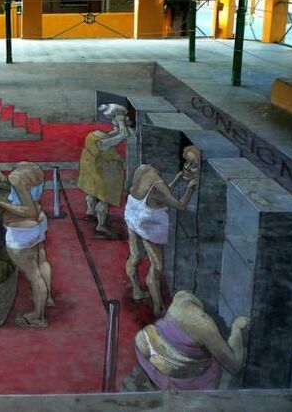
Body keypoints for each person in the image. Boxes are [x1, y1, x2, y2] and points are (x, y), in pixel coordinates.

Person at [124, 146, 201, 317]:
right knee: (157, 267)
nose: (187, 168)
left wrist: (176, 180)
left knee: (135, 256)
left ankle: (137, 291)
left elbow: (159, 195)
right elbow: (180, 205)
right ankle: (158, 308)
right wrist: (190, 187)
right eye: (187, 163)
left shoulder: (143, 170)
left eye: (192, 165)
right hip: (148, 223)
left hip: (133, 214)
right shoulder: (159, 185)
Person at [0, 162, 54, 327]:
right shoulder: (34, 169)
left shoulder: (15, 177)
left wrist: (1, 204)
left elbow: (30, 211)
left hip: (22, 231)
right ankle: (47, 298)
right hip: (39, 223)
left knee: (33, 274)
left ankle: (38, 317)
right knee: (41, 261)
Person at [134, 290, 250, 390]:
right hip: (181, 375)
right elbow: (234, 365)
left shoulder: (181, 296)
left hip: (146, 348)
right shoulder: (205, 326)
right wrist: (237, 328)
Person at [77, 103, 132, 238]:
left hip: (91, 170)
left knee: (92, 193)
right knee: (104, 199)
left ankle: (90, 212)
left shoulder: (93, 136)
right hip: (102, 172)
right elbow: (123, 135)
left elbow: (111, 135)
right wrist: (120, 121)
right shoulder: (102, 143)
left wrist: (117, 125)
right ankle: (101, 226)